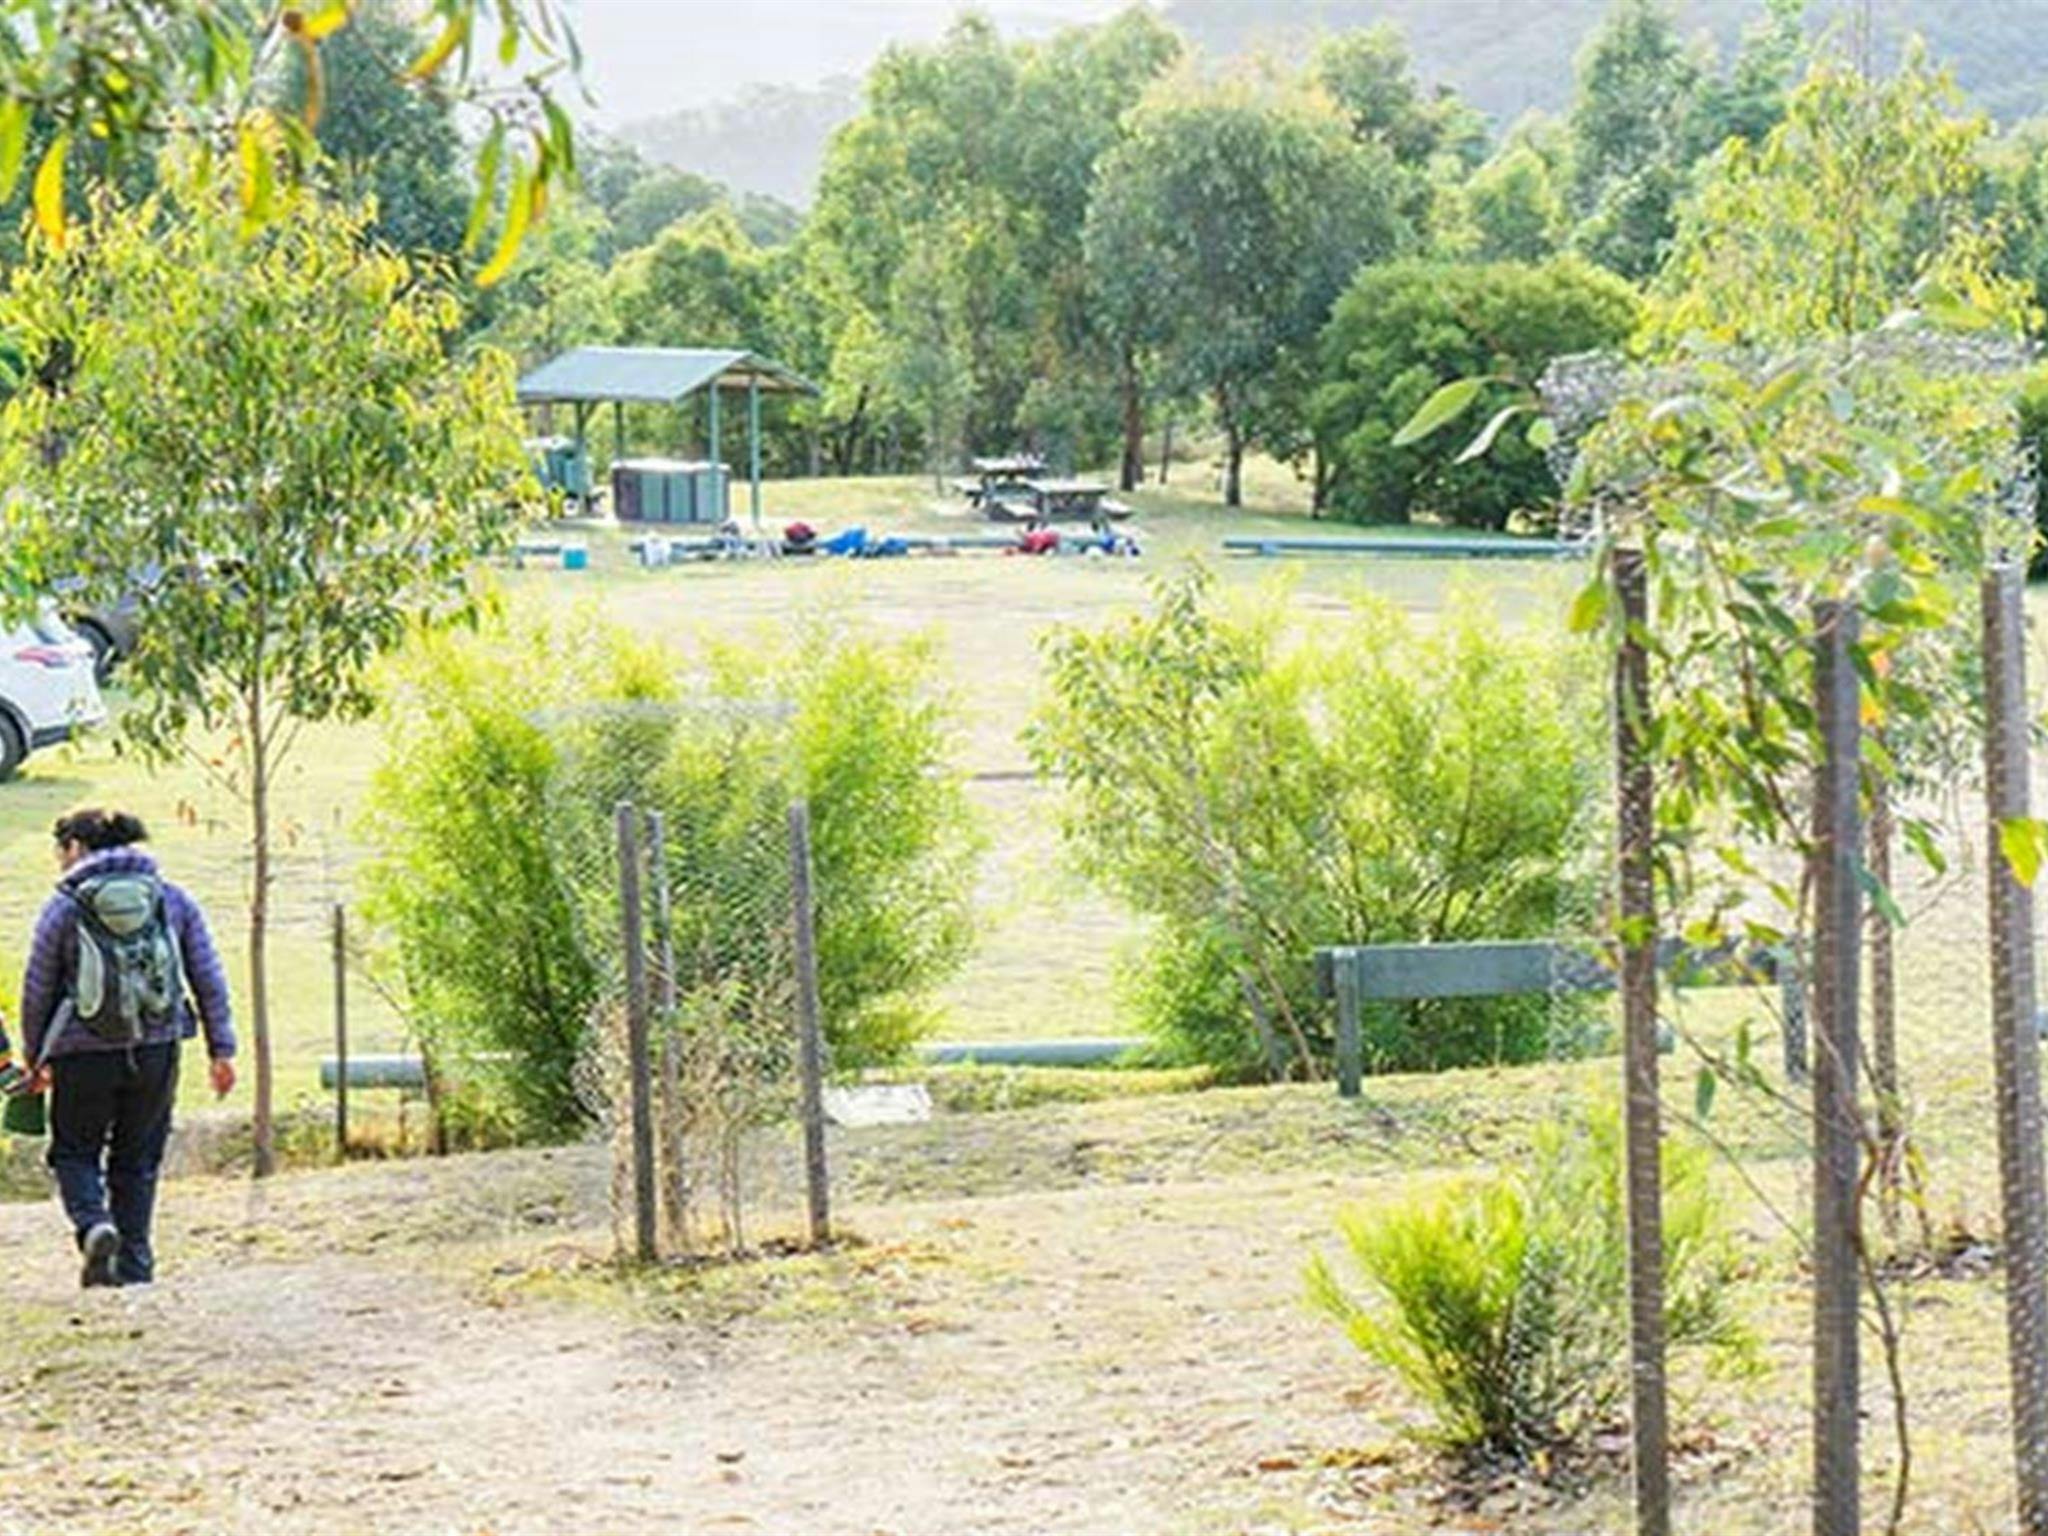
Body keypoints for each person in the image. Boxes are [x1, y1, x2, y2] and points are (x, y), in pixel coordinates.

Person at [3, 810, 235, 1288]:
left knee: (74, 1152)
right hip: (157, 1047)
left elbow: (38, 987)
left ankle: (94, 1225)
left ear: (74, 848)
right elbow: (207, 974)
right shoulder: (170, 898)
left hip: (81, 1053)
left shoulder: (64, 906)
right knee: (138, 1158)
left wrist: (35, 1056)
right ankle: (135, 1266)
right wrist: (221, 1049)